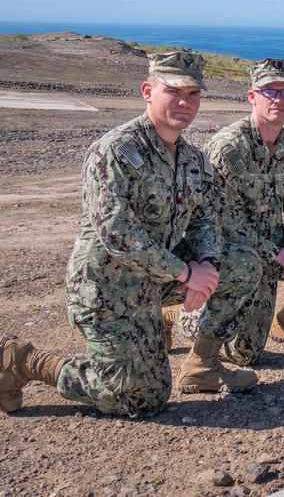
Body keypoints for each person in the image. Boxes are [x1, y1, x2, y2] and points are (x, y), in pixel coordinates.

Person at [2, 52, 260, 418]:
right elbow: (119, 234)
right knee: (142, 398)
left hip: (157, 278)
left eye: (193, 93)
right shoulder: (115, 151)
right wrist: (187, 274)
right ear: (147, 92)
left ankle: (202, 364)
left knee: (242, 265)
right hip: (108, 288)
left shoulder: (193, 159)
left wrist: (207, 266)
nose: (185, 102)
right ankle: (26, 360)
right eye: (173, 91)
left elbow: (205, 219)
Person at [165, 58, 284, 365]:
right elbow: (220, 222)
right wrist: (278, 255)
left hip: (274, 248)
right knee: (245, 354)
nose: (278, 100)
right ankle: (176, 313)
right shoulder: (228, 148)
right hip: (236, 255)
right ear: (252, 96)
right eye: (270, 92)